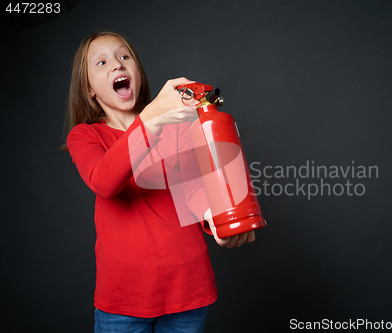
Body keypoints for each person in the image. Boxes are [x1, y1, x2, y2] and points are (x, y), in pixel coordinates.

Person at [62, 31, 257, 333]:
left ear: (137, 72)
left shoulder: (176, 128)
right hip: (124, 298)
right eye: (102, 62)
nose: (117, 65)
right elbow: (104, 181)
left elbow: (192, 190)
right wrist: (151, 119)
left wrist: (216, 219)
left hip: (188, 288)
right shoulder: (86, 136)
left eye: (124, 57)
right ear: (89, 89)